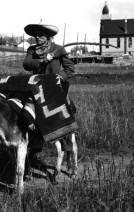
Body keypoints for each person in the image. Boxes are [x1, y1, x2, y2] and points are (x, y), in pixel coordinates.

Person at [22, 24, 76, 179]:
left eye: (41, 35)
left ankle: (69, 157)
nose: (38, 38)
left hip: (55, 88)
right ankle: (32, 154)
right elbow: (27, 64)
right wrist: (42, 61)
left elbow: (70, 68)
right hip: (38, 89)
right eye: (36, 36)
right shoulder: (32, 50)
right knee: (31, 118)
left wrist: (60, 77)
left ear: (48, 36)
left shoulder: (58, 49)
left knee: (62, 120)